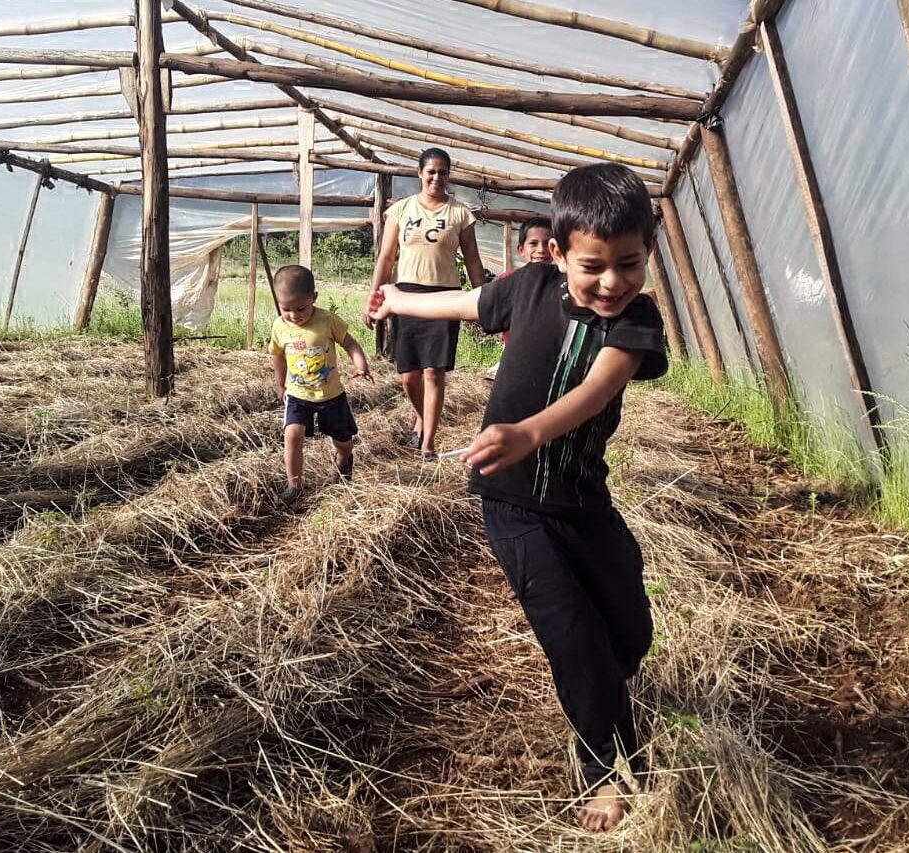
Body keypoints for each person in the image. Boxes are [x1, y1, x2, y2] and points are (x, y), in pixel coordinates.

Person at [370, 163, 667, 832]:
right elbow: (460, 304)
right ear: (558, 254)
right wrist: (397, 299)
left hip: (584, 500)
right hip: (511, 504)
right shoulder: (526, 288)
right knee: (574, 636)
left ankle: (603, 690)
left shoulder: (638, 321)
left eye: (630, 262)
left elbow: (598, 386)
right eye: (596, 265)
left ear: (647, 254)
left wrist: (529, 432)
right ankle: (606, 768)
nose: (614, 281)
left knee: (629, 628)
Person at [364, 147, 487, 459]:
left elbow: (473, 261)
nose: (436, 177)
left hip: (445, 295)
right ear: (420, 173)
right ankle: (421, 415)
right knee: (409, 374)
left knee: (434, 371)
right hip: (405, 295)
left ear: (448, 175)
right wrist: (374, 294)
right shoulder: (400, 210)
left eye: (442, 172)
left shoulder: (460, 213)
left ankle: (428, 442)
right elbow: (386, 257)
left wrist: (483, 300)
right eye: (430, 171)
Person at [268, 265, 372, 503]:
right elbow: (278, 356)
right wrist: (280, 384)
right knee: (292, 435)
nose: (294, 315)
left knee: (342, 441)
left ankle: (345, 458)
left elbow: (350, 344)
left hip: (331, 395)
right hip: (297, 395)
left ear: (313, 297)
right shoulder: (279, 327)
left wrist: (360, 365)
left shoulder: (327, 320)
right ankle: (294, 485)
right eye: (286, 309)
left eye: (301, 308)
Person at [487, 216, 554, 379]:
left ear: (556, 249)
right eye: (533, 243)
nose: (541, 250)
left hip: (549, 360)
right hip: (514, 357)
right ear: (521, 250)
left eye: (547, 244)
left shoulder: (562, 284)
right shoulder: (507, 281)